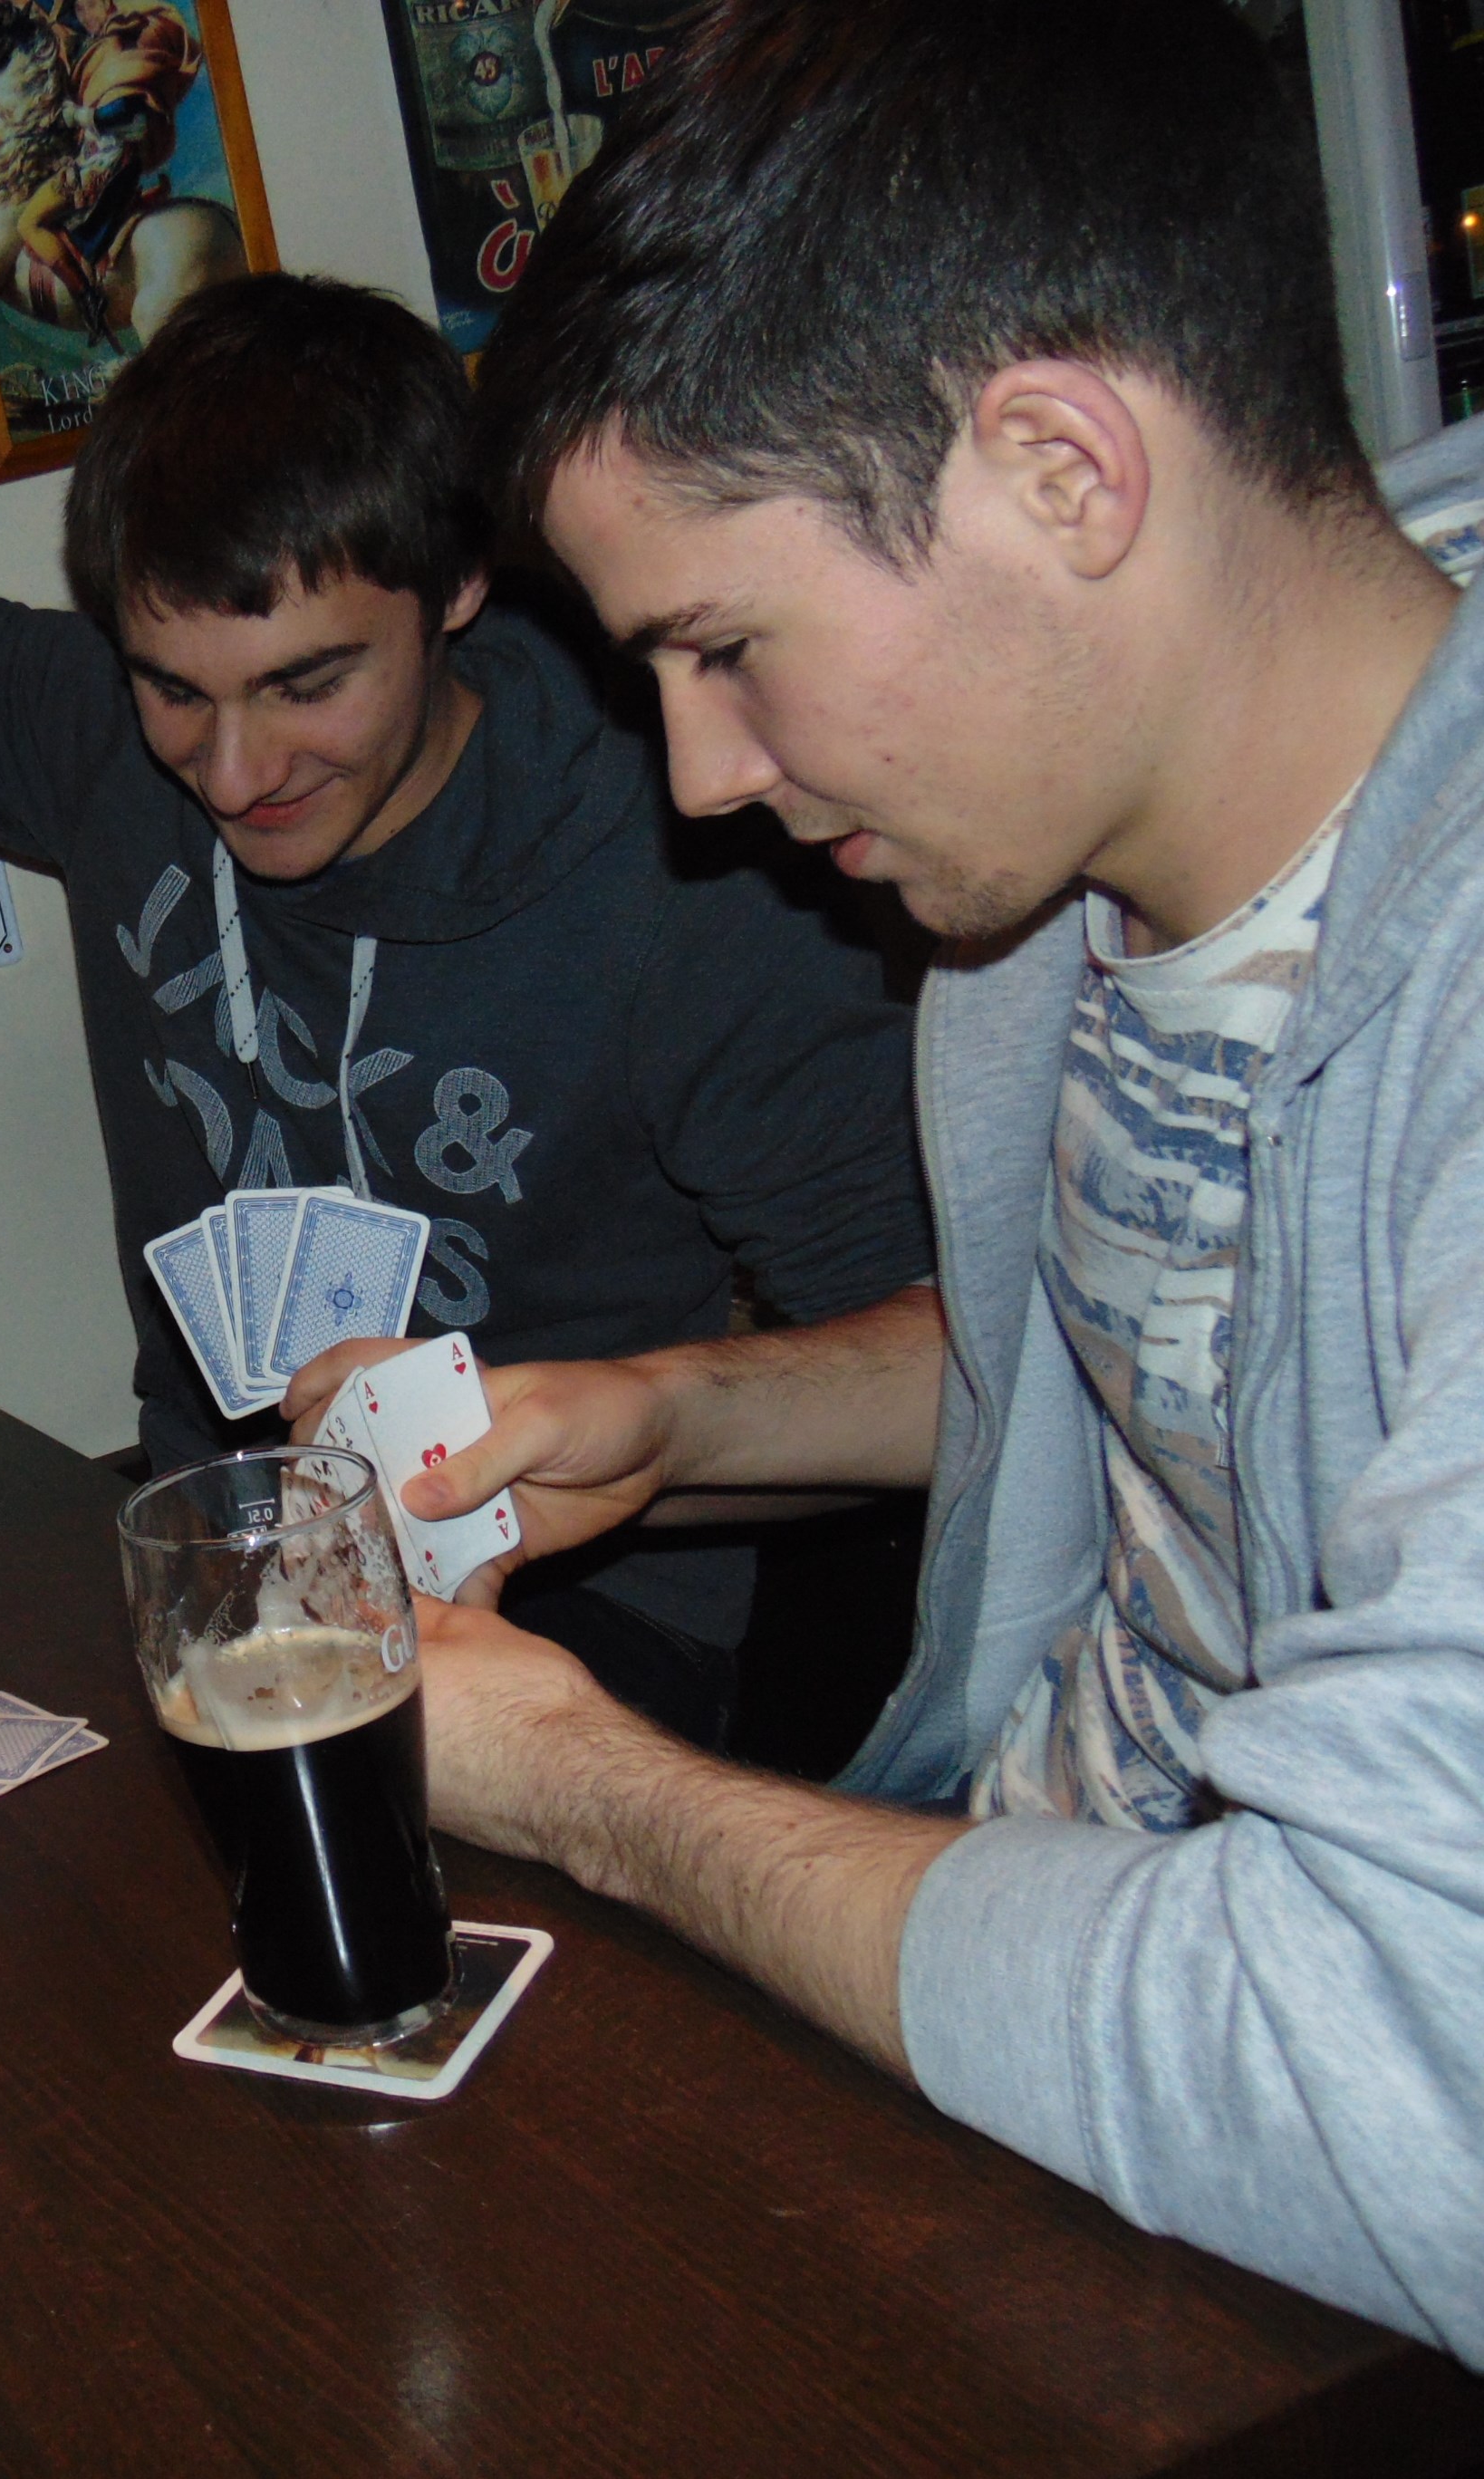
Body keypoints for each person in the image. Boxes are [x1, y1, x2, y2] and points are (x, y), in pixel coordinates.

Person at [398, 0, 1484, 2360]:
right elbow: (1159, 1355)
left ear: (1064, 471)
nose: (701, 775)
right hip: (1006, 2012)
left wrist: (588, 1792)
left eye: (721, 645)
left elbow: (1403, 2086)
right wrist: (682, 1415)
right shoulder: (1048, 888)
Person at [0, 272, 933, 1746]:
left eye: (308, 685)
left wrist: (627, 1422)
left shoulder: (688, 879)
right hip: (220, 1557)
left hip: (576, 1593)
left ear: (458, 588)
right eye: (175, 691)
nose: (235, 770)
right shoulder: (101, 742)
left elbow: (943, 1368)